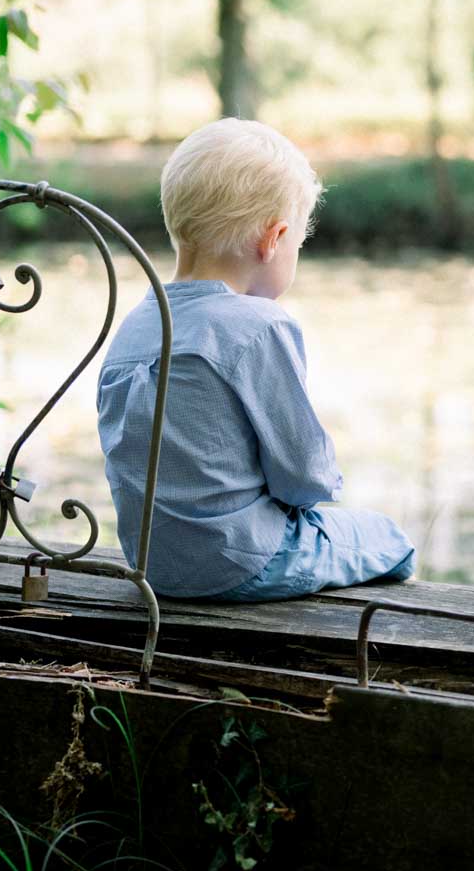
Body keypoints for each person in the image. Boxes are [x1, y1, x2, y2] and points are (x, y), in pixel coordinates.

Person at [96, 118, 416, 601]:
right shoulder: (259, 325)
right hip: (243, 562)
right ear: (274, 238)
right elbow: (304, 477)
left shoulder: (135, 326)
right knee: (389, 538)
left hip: (154, 567)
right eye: (297, 245)